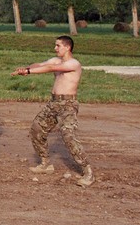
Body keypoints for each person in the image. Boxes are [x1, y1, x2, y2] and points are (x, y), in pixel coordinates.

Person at [12, 35, 93, 186]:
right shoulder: (56, 60)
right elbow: (41, 64)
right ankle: (45, 164)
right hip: (53, 103)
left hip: (68, 104)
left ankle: (87, 171)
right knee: (36, 129)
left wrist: (29, 72)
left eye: (58, 46)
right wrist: (26, 68)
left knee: (68, 135)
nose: (55, 48)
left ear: (67, 47)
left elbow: (50, 68)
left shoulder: (74, 63)